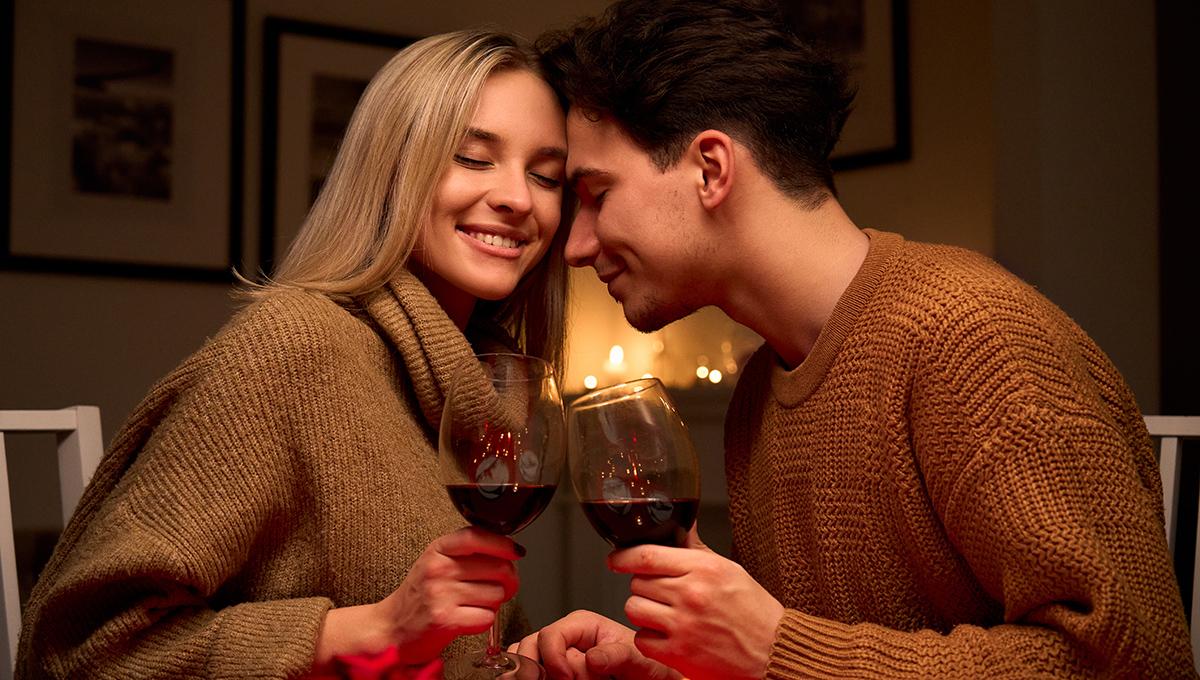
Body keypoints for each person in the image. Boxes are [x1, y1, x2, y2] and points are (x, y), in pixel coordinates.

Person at [516, 1, 1196, 678]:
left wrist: (775, 648)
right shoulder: (761, 391)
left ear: (711, 170)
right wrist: (677, 667)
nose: (573, 245)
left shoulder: (973, 339)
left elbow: (1135, 662)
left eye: (597, 193)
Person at [18, 29, 570, 679]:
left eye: (546, 175)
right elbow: (76, 651)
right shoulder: (294, 349)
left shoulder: (480, 384)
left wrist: (524, 658)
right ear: (391, 171)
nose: (518, 198)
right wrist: (369, 629)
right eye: (473, 159)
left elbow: (435, 649)